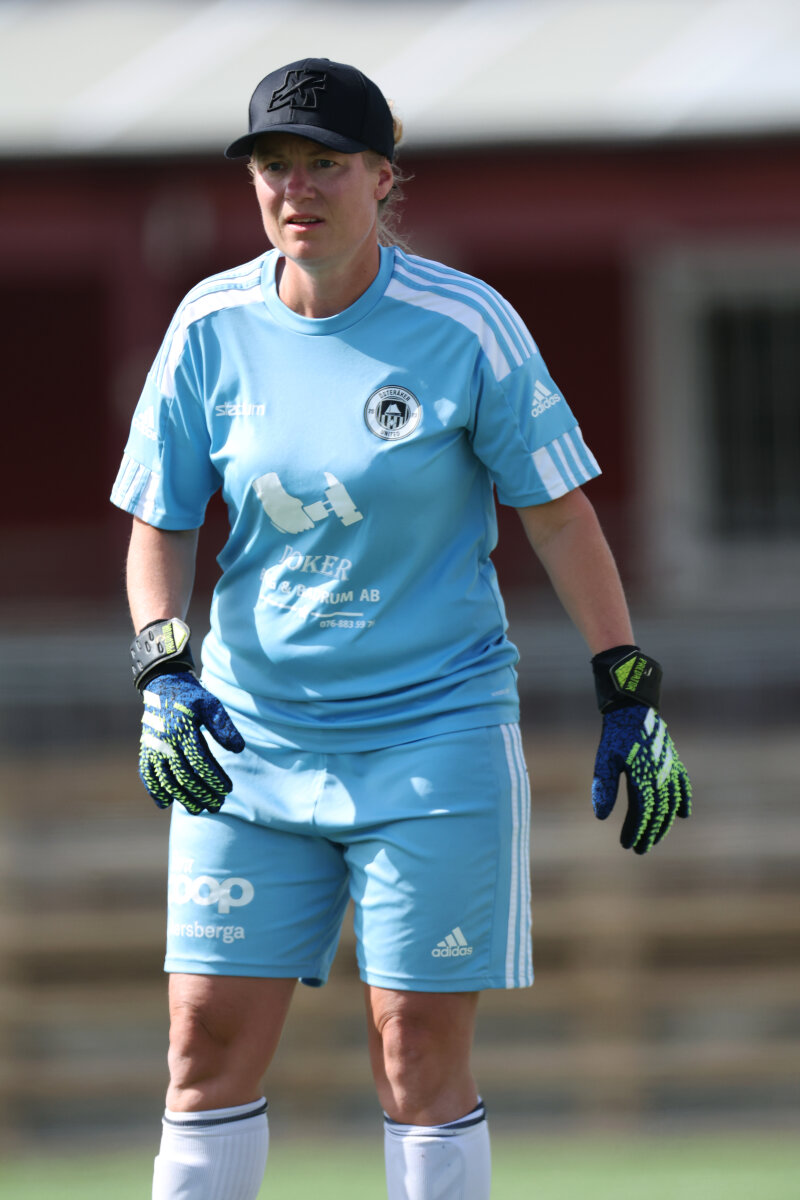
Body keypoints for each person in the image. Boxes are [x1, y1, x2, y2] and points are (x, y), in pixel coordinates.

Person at [111, 57, 692, 1200]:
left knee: (413, 1052)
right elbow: (158, 522)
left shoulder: (465, 326)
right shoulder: (208, 326)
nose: (296, 188)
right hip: (248, 741)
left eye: (324, 164)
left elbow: (558, 516)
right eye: (274, 166)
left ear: (382, 176)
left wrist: (624, 684)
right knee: (201, 1043)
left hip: (432, 738)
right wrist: (161, 670)